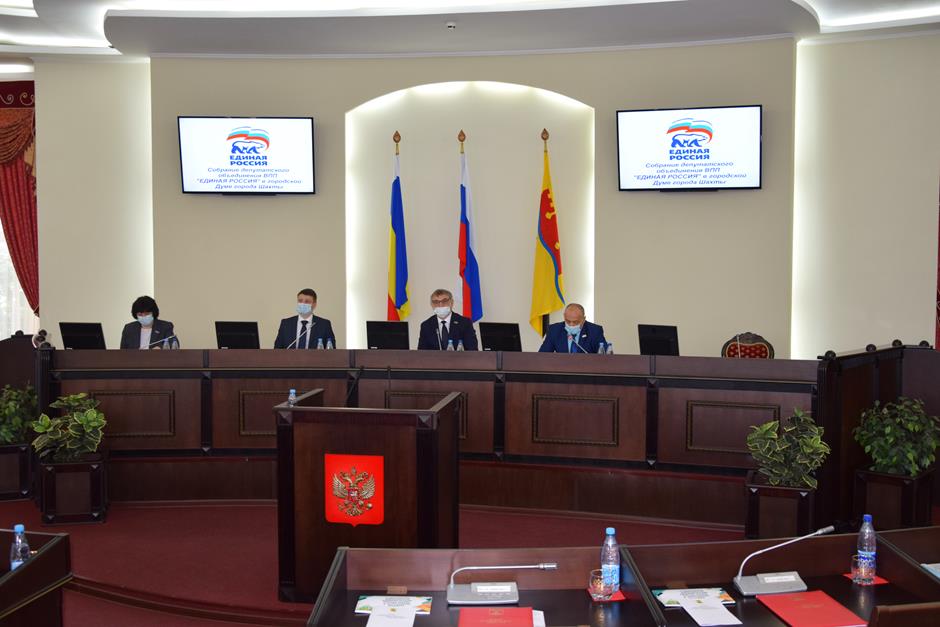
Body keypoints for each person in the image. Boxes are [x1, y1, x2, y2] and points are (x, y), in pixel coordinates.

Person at [538, 303, 607, 353]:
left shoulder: (595, 331)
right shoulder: (554, 330)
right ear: (564, 316)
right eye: (568, 321)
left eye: (575, 322)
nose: (571, 325)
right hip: (562, 368)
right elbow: (543, 355)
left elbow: (605, 357)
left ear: (583, 319)